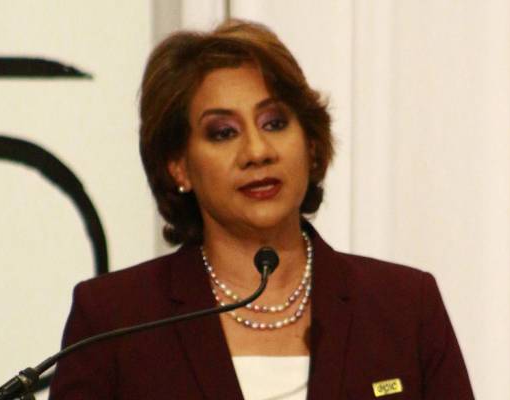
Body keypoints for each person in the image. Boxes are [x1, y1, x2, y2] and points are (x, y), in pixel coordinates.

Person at [49, 19, 474, 400]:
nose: (257, 151)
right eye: (223, 133)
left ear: (309, 143)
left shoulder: (404, 307)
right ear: (179, 166)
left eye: (274, 123)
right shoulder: (115, 321)